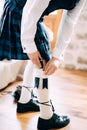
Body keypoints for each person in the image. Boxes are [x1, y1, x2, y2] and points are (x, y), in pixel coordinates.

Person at [0, 0, 86, 129]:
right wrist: (29, 45)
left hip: (29, 13)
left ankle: (25, 101)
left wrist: (57, 56)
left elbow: (69, 21)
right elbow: (30, 11)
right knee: (42, 59)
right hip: (20, 10)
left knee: (41, 50)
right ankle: (47, 116)